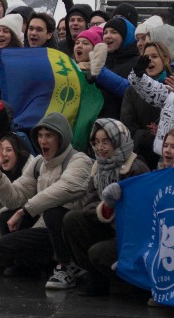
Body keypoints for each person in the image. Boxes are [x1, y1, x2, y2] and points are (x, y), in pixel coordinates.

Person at [0, 111, 93, 285]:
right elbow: (14, 198)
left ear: (62, 137)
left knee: (53, 212)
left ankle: (68, 266)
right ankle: (38, 266)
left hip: (70, 230)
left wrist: (25, 211)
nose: (43, 141)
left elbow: (63, 190)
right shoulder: (38, 163)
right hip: (44, 227)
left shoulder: (78, 160)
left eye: (49, 136)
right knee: (5, 241)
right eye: (40, 135)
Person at [62, 118, 152, 296]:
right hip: (108, 225)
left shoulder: (135, 168)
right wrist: (107, 207)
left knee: (98, 252)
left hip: (131, 235)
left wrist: (118, 207)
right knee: (72, 220)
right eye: (96, 142)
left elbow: (142, 214)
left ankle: (132, 285)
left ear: (119, 140)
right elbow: (89, 204)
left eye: (106, 141)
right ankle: (96, 278)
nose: (100, 148)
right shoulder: (99, 167)